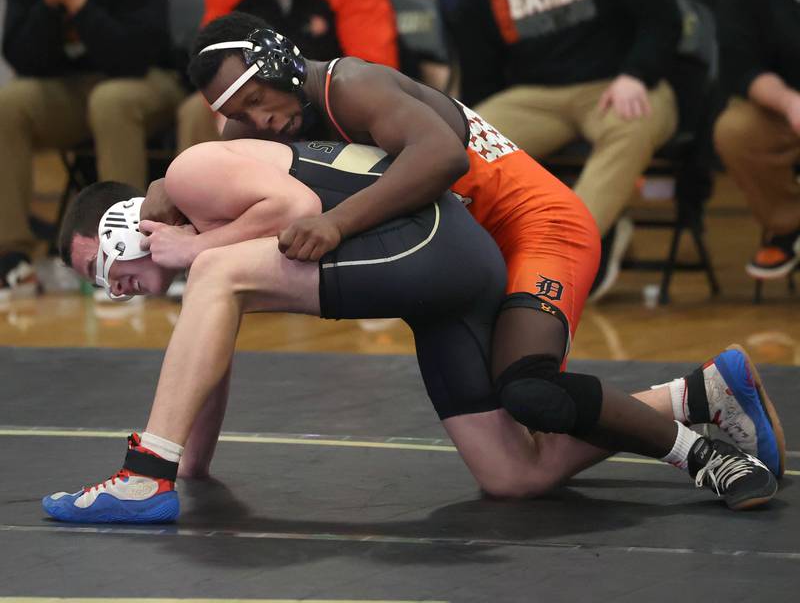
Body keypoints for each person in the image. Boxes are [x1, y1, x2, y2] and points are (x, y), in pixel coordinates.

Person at [178, 13, 785, 488]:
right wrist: (165, 191)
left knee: (531, 391)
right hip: (464, 259)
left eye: (259, 98)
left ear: (281, 65)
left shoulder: (350, 85)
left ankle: (703, 457)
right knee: (512, 474)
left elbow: (443, 158)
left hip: (539, 227)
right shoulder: (254, 126)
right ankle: (702, 394)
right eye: (240, 113)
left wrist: (335, 224)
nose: (261, 120)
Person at [43, 136, 782, 523]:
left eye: (103, 264)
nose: (113, 288)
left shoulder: (195, 172)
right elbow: (208, 363)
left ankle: (143, 477)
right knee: (512, 475)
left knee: (215, 275)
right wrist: (194, 464)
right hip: (443, 274)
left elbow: (294, 202)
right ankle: (695, 397)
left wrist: (199, 251)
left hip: (440, 244)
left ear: (131, 222)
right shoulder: (212, 267)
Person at [451, 0, 682, 301]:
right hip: (535, 96)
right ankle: (461, 261)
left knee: (632, 125)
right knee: (465, 137)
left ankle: (561, 252)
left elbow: (663, 20)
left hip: (618, 83)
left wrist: (637, 74)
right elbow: (481, 76)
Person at [0, 0, 186, 297]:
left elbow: (133, 56)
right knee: (9, 104)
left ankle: (130, 246)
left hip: (148, 78)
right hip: (68, 87)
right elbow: (21, 58)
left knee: (110, 102)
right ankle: (13, 257)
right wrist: (48, 7)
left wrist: (77, 3)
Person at [177, 0, 399, 153]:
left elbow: (372, 62)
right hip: (257, 91)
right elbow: (209, 63)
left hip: (326, 88)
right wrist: (236, 111)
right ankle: (197, 193)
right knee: (196, 110)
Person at [713, 0, 800, 280]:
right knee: (736, 130)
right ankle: (789, 226)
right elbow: (741, 66)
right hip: (780, 108)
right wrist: (789, 102)